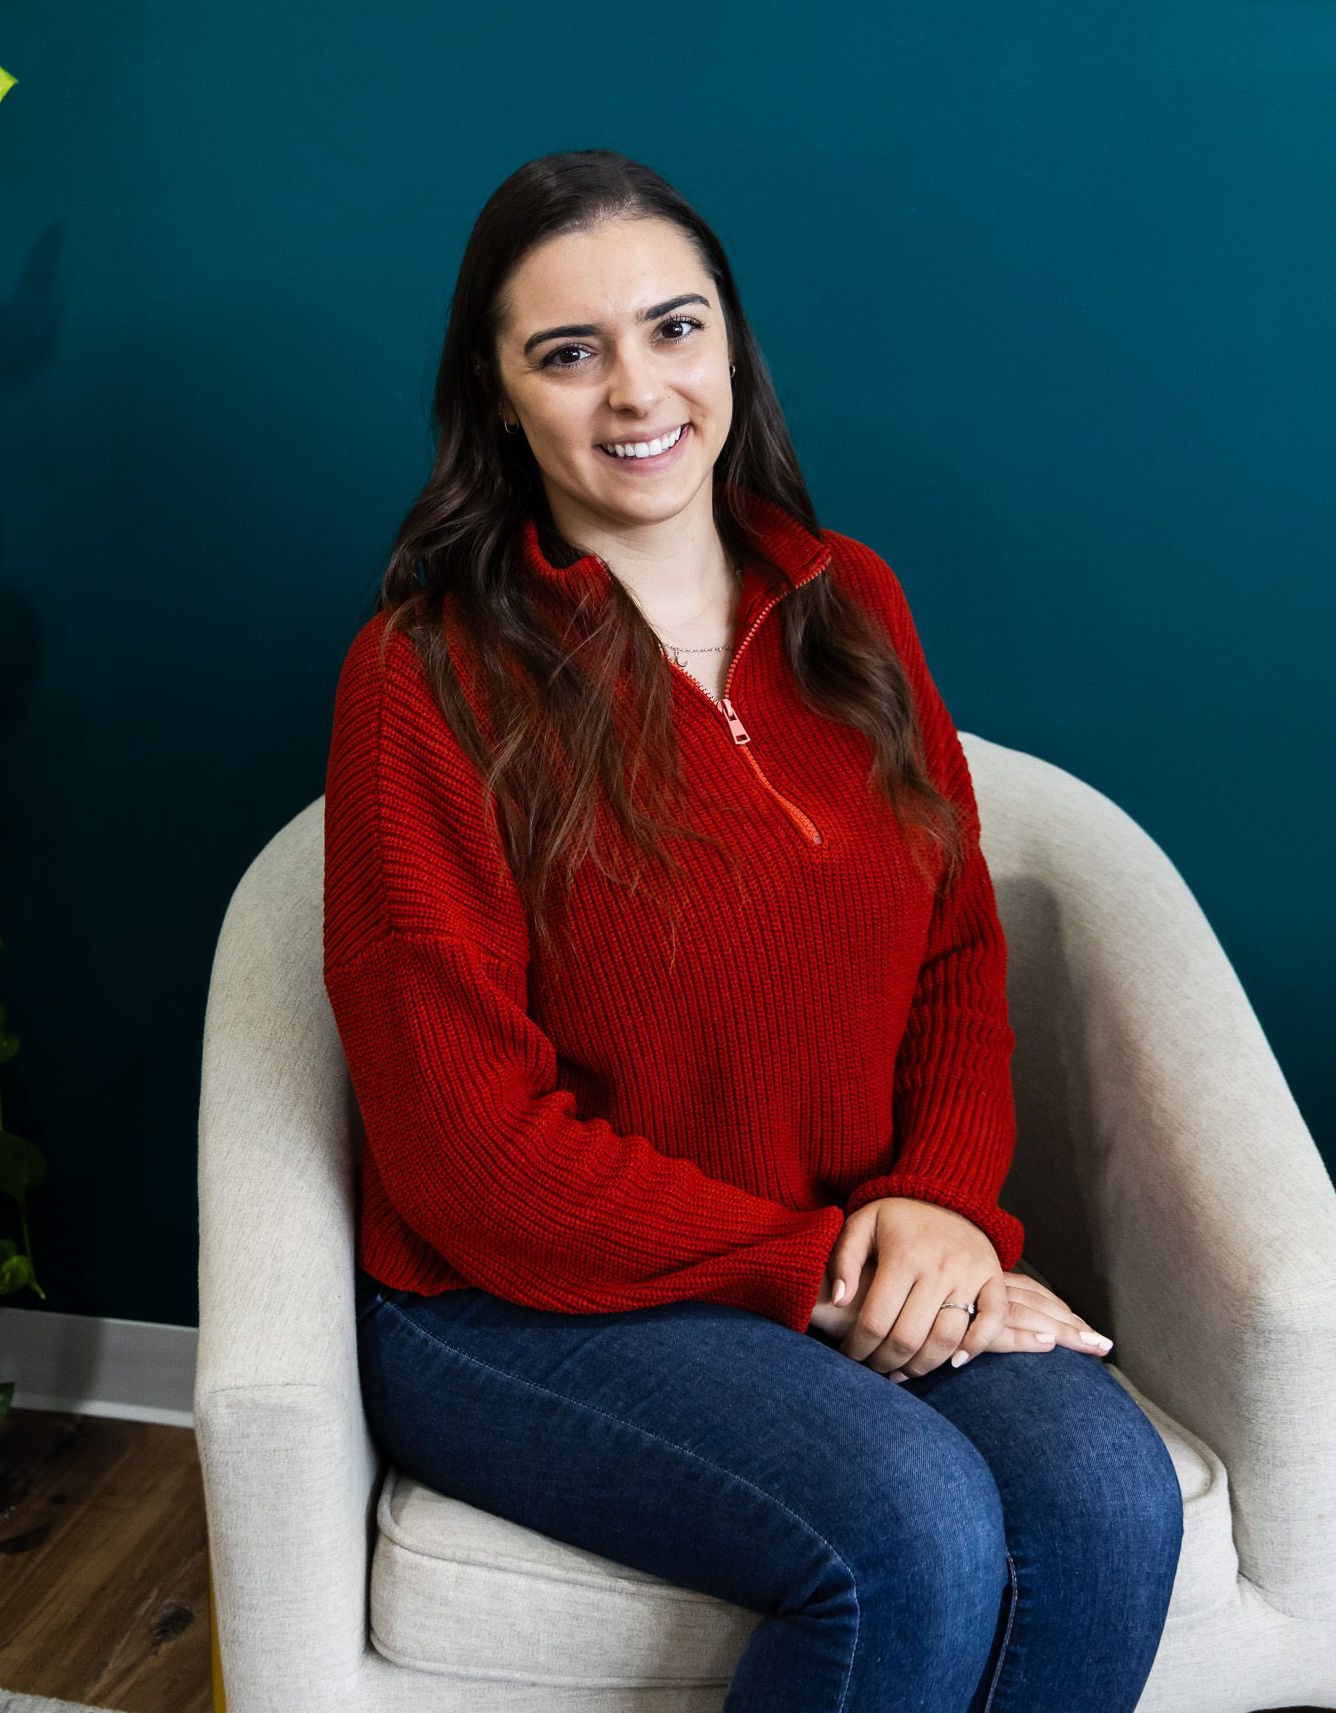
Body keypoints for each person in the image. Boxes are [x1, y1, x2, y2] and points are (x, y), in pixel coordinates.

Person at [325, 149, 1184, 1712]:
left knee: (1105, 1504)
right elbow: (471, 1155)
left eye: (675, 328)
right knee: (908, 1530)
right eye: (567, 351)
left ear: (729, 345)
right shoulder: (423, 677)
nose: (636, 390)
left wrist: (933, 1205)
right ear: (494, 389)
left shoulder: (847, 600)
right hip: (516, 1303)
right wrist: (823, 1274)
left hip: (857, 1241)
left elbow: (954, 956)